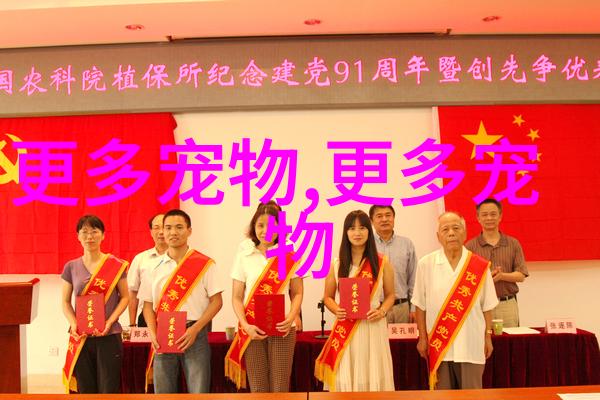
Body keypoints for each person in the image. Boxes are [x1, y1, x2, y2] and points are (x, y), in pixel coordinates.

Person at [140, 209, 223, 393]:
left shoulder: (205, 264)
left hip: (195, 334)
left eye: (179, 227)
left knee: (199, 393)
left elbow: (217, 302)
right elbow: (147, 305)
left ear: (189, 231)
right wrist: (153, 333)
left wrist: (195, 329)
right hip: (163, 334)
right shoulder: (152, 267)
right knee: (164, 393)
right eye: (168, 228)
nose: (173, 232)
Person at [413, 212, 498, 390]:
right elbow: (420, 305)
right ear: (438, 236)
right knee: (443, 394)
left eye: (456, 228)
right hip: (439, 344)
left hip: (471, 343)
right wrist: (422, 338)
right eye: (445, 229)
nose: (451, 233)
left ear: (465, 233)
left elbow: (487, 306)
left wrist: (487, 336)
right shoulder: (425, 264)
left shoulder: (479, 266)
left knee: (472, 395)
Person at [225, 201, 303, 392]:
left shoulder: (290, 255)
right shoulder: (244, 256)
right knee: (258, 386)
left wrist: (291, 317)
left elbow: (297, 292)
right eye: (260, 225)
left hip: (283, 327)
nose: (266, 230)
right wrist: (245, 325)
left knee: (280, 386)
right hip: (252, 328)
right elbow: (236, 297)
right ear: (254, 227)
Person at [315, 210, 395, 392]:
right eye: (352, 228)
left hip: (373, 326)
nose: (357, 233)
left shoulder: (382, 262)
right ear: (346, 232)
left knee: (372, 373)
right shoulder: (337, 263)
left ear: (369, 231)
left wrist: (381, 311)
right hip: (346, 326)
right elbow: (327, 297)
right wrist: (336, 309)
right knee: (348, 374)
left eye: (362, 228)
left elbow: (391, 295)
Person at [61, 215, 129, 393]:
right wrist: (74, 324)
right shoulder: (71, 267)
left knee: (109, 387)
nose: (89, 236)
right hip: (81, 337)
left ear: (103, 235)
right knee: (85, 388)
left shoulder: (116, 265)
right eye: (84, 232)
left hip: (109, 335)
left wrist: (109, 322)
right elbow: (65, 302)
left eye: (94, 231)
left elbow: (125, 297)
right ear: (78, 236)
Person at [465, 198, 529, 327]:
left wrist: (502, 276)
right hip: (480, 306)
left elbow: (521, 275)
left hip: (507, 304)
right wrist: (486, 277)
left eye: (493, 214)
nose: (489, 218)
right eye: (484, 215)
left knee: (510, 339)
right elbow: (466, 280)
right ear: (478, 218)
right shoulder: (470, 246)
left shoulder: (513, 243)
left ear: (500, 216)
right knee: (481, 339)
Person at [369, 204, 417, 323]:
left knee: (403, 337)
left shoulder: (406, 244)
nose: (384, 219)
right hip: (375, 309)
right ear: (371, 221)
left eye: (388, 215)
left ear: (394, 218)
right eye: (379, 216)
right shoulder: (367, 245)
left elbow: (413, 279)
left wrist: (413, 308)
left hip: (402, 308)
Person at [127, 213, 167, 328]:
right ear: (151, 232)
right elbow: (133, 293)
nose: (161, 232)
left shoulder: (182, 259)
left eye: (165, 227)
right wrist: (132, 324)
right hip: (147, 316)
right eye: (156, 227)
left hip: (175, 317)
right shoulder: (141, 259)